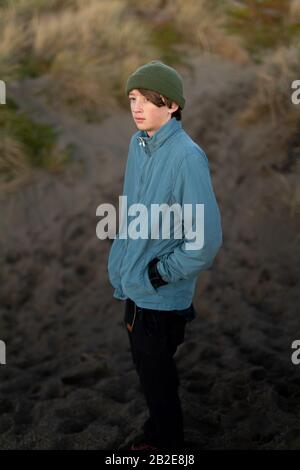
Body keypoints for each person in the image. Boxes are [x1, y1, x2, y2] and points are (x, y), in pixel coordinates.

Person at [107, 60, 222, 450]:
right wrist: (125, 256)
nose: (137, 107)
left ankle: (167, 447)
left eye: (147, 100)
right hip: (133, 284)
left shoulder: (188, 157)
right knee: (147, 371)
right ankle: (157, 435)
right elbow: (134, 208)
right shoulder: (137, 144)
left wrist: (159, 272)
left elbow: (204, 240)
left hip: (160, 293)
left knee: (159, 380)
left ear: (172, 105)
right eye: (132, 99)